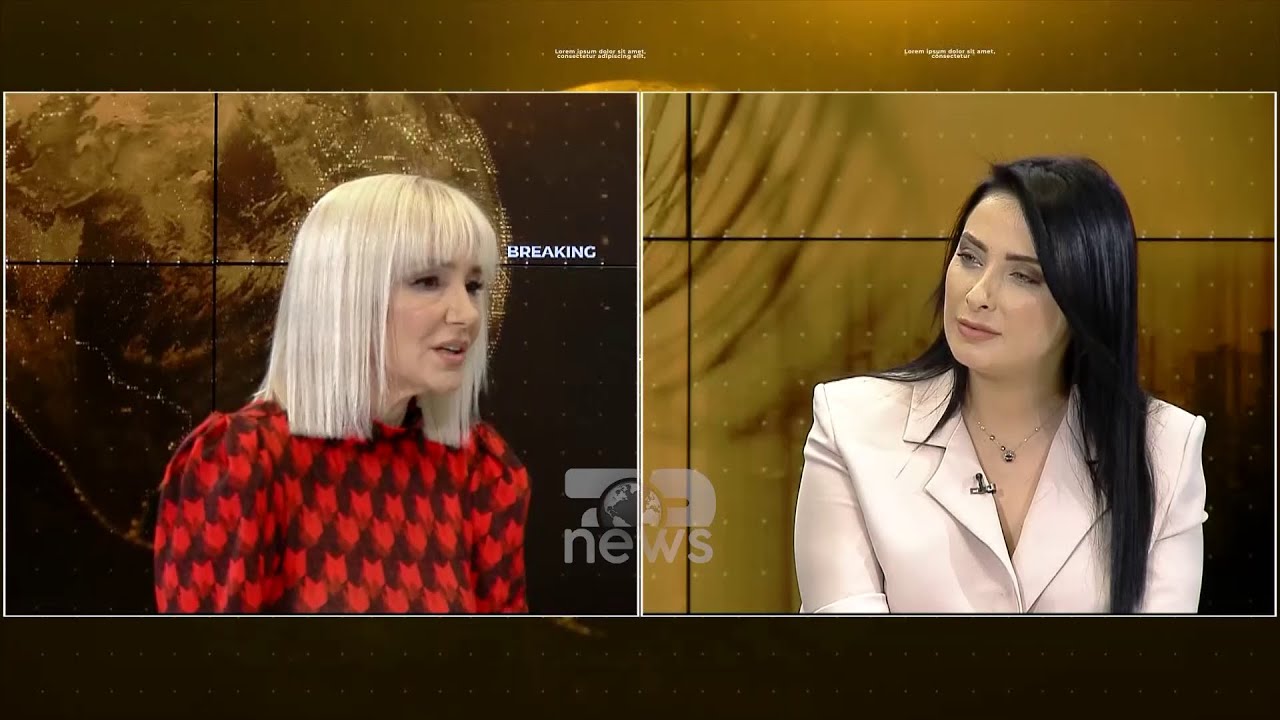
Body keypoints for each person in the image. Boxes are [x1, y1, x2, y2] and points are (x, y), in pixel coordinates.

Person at [793, 156, 1208, 614]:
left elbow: (1160, 655)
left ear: (1085, 301)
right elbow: (848, 649)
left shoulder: (1165, 448)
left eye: (1023, 276)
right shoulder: (851, 426)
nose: (977, 296)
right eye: (970, 258)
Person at [153, 173, 531, 613]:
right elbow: (211, 656)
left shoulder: (482, 470)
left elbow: (500, 652)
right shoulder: (243, 461)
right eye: (428, 281)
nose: (466, 314)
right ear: (343, 293)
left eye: (473, 286)